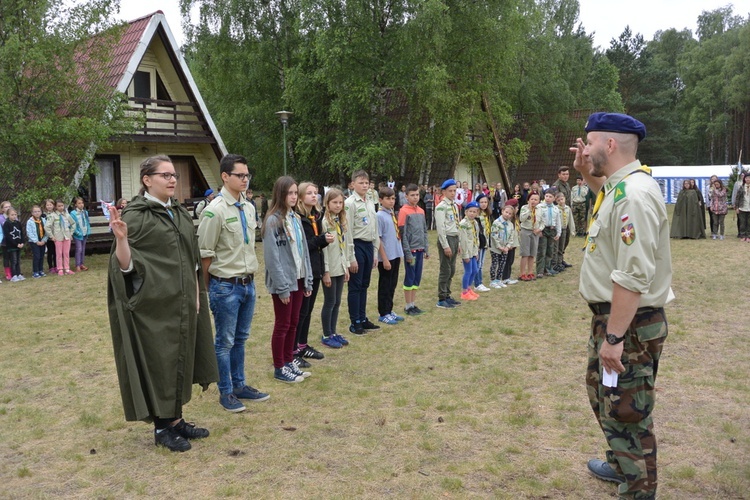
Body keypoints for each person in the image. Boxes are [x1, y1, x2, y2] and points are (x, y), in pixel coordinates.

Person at [571, 112, 673, 499]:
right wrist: (585, 171)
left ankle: (638, 490)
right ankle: (619, 466)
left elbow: (632, 276)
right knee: (604, 398)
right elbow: (605, 194)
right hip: (615, 320)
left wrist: (614, 336)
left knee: (627, 412)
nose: (585, 148)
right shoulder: (621, 187)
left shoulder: (633, 194)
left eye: (590, 142)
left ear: (609, 145)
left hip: (627, 323)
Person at [107, 155, 219, 452]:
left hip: (183, 301)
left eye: (174, 176)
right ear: (147, 180)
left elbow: (192, 259)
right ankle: (161, 427)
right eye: (165, 175)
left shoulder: (178, 213)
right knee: (160, 362)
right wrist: (121, 240)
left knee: (180, 357)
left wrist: (197, 292)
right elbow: (125, 267)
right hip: (152, 307)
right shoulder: (135, 216)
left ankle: (176, 420)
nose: (172, 180)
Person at [197, 154, 269, 413]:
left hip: (248, 283)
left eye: (247, 175)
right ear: (225, 176)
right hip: (225, 285)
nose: (245, 180)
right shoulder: (214, 211)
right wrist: (211, 288)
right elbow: (205, 253)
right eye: (240, 175)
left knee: (241, 338)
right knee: (224, 341)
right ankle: (226, 391)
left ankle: (240, 385)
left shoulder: (248, 207)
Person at [262, 176, 313, 383]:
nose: (293, 196)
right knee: (283, 324)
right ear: (280, 194)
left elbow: (304, 252)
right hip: (284, 282)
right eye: (289, 193)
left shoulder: (295, 218)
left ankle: (289, 359)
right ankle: (279, 366)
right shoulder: (274, 220)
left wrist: (307, 278)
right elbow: (272, 258)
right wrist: (282, 288)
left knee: (294, 322)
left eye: (294, 193)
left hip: (299, 279)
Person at [294, 182, 332, 366]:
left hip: (315, 269)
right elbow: (304, 245)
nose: (314, 196)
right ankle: (294, 349)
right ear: (300, 197)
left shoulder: (316, 216)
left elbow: (317, 246)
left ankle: (303, 344)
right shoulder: (298, 218)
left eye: (315, 193)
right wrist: (321, 239)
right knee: (301, 311)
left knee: (308, 310)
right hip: (303, 270)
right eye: (309, 193)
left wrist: (323, 242)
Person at [345, 170, 380, 335]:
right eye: (361, 182)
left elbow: (374, 227)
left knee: (365, 284)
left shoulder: (371, 200)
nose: (365, 185)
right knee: (355, 285)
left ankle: (363, 317)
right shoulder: (350, 203)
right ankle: (355, 322)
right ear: (353, 184)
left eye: (366, 183)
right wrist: (351, 257)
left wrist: (374, 252)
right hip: (356, 245)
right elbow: (348, 231)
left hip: (368, 245)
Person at [320, 188, 352, 348]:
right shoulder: (325, 222)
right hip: (330, 268)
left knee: (337, 301)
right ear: (327, 203)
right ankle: (326, 334)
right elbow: (324, 249)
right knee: (330, 301)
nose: (338, 205)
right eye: (335, 202)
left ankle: (333, 332)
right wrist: (325, 271)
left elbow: (343, 246)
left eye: (340, 202)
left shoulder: (341, 220)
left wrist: (346, 266)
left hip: (340, 267)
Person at [398, 183, 429, 316]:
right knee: (410, 277)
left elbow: (424, 231)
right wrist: (407, 252)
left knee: (417, 277)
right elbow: (403, 234)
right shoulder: (404, 211)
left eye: (417, 195)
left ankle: (413, 303)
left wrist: (426, 248)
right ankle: (408, 305)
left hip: (420, 250)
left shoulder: (421, 211)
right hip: (411, 252)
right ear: (406, 196)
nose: (415, 197)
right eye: (412, 195)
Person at [376, 187, 405, 324]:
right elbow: (379, 239)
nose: (391, 201)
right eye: (388, 198)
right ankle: (383, 313)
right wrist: (385, 258)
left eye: (393, 198)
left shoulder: (391, 213)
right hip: (386, 257)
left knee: (392, 284)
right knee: (385, 285)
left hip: (395, 255)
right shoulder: (379, 216)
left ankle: (389, 309)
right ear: (380, 200)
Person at [434, 179, 462, 308]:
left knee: (452, 269)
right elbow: (441, 228)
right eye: (450, 191)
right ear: (444, 192)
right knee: (445, 269)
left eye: (454, 190)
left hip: (455, 238)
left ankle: (448, 294)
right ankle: (442, 297)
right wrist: (445, 245)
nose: (453, 193)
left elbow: (457, 224)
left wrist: (459, 242)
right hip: (447, 238)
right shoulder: (441, 207)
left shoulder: (454, 206)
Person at [489, 204, 518, 288]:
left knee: (502, 264)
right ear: (502, 211)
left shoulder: (510, 224)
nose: (507, 214)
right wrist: (499, 246)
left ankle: (499, 280)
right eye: (506, 212)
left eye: (510, 214)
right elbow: (494, 235)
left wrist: (507, 247)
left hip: (505, 248)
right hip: (496, 248)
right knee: (495, 263)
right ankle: (493, 280)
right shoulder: (496, 222)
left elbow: (511, 237)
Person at [44, 199, 76, 276]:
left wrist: (71, 233)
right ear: (55, 207)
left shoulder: (67, 215)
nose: (61, 207)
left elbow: (73, 223)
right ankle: (60, 268)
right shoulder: (53, 216)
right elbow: (47, 226)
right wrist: (52, 236)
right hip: (58, 237)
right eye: (59, 206)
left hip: (67, 237)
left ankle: (67, 268)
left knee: (66, 253)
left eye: (62, 205)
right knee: (59, 253)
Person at [535, 189, 561, 278]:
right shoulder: (539, 207)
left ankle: (547, 269)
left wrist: (558, 233)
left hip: (552, 230)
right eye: (546, 196)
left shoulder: (556, 209)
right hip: (543, 230)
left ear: (554, 198)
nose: (548, 198)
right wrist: (538, 230)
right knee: (542, 250)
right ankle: (540, 270)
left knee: (550, 251)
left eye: (550, 197)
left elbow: (558, 221)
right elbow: (537, 220)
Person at [458, 201, 480, 301]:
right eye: (470, 211)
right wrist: (465, 255)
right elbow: (463, 240)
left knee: (475, 270)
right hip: (466, 251)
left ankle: (469, 288)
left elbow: (476, 238)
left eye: (474, 212)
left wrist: (476, 252)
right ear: (466, 212)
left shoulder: (475, 223)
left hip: (473, 251)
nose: (472, 213)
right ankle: (464, 291)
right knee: (468, 271)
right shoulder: (463, 224)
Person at [518, 191, 542, 281]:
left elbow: (542, 221)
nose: (533, 201)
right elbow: (521, 219)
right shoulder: (524, 208)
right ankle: (522, 273)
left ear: (539, 201)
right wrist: (529, 209)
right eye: (532, 199)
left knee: (532, 253)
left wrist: (539, 229)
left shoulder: (540, 209)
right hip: (525, 231)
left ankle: (530, 272)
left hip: (535, 232)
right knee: (525, 253)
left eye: (536, 199)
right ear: (528, 200)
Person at [473, 194, 492, 292]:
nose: (484, 204)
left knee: (481, 263)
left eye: (485, 202)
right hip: (479, 243)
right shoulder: (476, 215)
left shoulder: (486, 214)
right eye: (481, 202)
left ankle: (478, 281)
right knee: (478, 264)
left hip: (485, 242)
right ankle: (478, 283)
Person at [552, 192, 575, 272]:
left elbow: (571, 220)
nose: (561, 201)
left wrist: (572, 230)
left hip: (564, 229)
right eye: (558, 200)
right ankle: (555, 263)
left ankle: (561, 261)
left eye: (562, 199)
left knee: (562, 246)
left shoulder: (567, 208)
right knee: (556, 247)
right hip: (557, 230)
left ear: (564, 198)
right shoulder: (555, 208)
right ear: (556, 201)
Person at [500, 199, 520, 286]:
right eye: (516, 208)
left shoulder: (514, 218)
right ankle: (505, 278)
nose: (518, 209)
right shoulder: (508, 220)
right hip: (508, 244)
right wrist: (510, 244)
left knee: (510, 260)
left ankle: (507, 277)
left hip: (513, 243)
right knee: (507, 261)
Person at [3, 207, 25, 281]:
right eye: (12, 215)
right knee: (14, 260)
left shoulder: (18, 223)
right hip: (12, 246)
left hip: (19, 244)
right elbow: (8, 236)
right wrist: (16, 244)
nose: (14, 216)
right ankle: (14, 275)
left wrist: (22, 242)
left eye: (15, 214)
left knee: (18, 260)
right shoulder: (6, 224)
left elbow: (21, 233)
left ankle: (19, 274)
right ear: (8, 215)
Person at [70, 197, 91, 272]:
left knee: (83, 249)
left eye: (82, 203)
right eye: (79, 203)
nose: (81, 205)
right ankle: (77, 265)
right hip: (78, 234)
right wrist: (77, 232)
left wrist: (88, 230)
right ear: (75, 204)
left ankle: (82, 264)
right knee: (79, 249)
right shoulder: (73, 213)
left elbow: (87, 222)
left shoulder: (85, 212)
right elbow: (72, 224)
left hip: (84, 233)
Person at [26, 205, 48, 278]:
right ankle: (35, 271)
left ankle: (40, 270)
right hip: (34, 242)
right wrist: (36, 241)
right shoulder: (30, 222)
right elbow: (29, 233)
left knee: (42, 256)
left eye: (38, 211)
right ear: (32, 213)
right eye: (35, 212)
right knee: (37, 256)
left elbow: (47, 231)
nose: (37, 213)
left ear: (41, 212)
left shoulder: (44, 220)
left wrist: (44, 240)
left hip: (42, 241)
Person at [42, 199, 58, 274]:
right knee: (50, 252)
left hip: (56, 235)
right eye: (47, 205)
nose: (49, 206)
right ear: (45, 206)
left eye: (50, 205)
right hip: (48, 236)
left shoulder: (56, 214)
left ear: (53, 205)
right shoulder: (43, 215)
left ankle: (56, 266)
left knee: (56, 252)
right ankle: (50, 267)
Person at [735, 173, 750, 241]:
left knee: (749, 223)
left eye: (749, 178)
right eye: (746, 178)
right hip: (742, 207)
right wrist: (737, 207)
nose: (748, 179)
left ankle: (748, 236)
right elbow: (737, 198)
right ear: (744, 179)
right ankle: (743, 235)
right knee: (742, 223)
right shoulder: (741, 187)